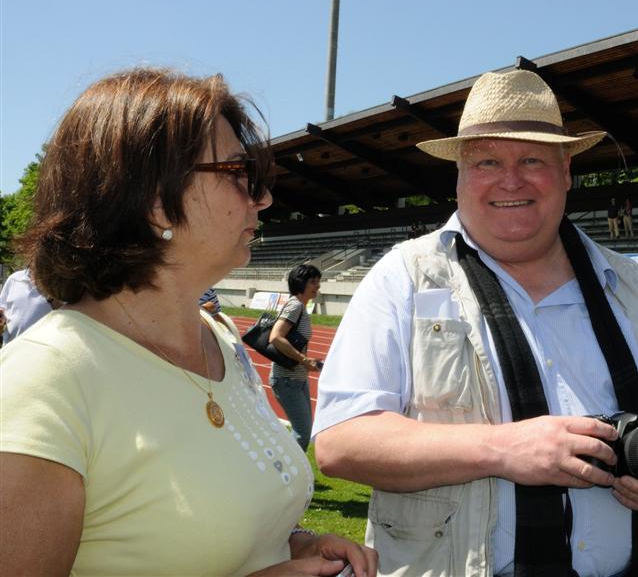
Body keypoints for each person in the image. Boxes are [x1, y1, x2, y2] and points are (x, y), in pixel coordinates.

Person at [312, 70, 638, 577]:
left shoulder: (633, 288)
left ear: (566, 171)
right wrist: (503, 448)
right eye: (486, 161)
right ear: (459, 173)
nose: (511, 179)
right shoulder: (404, 278)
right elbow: (340, 442)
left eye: (532, 159)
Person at [0, 68, 376, 576]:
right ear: (155, 198)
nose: (261, 198)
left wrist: (294, 543)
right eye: (239, 173)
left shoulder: (218, 339)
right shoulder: (45, 378)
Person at [270, 264, 323, 452]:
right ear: (301, 283)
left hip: (297, 379)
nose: (318, 286)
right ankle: (287, 472)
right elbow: (275, 337)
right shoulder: (295, 306)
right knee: (302, 433)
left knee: (303, 431)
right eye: (313, 282)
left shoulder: (300, 307)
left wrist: (308, 361)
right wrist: (304, 360)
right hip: (287, 379)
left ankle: (289, 471)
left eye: (318, 281)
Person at [0, 268, 55, 345]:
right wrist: (2, 316)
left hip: (40, 350)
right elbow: (3, 306)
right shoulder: (14, 278)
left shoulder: (57, 285)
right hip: (9, 347)